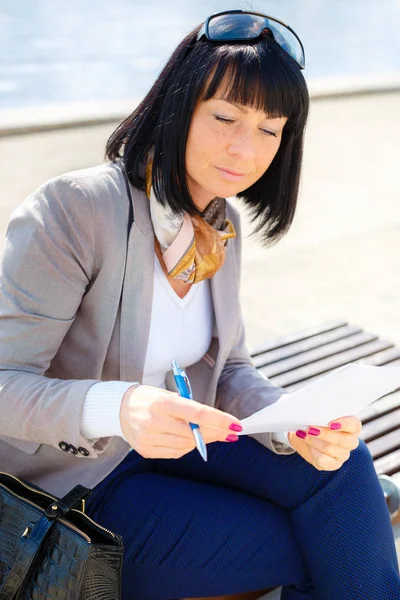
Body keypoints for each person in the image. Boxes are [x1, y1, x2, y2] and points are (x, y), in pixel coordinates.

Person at [0, 9, 399, 600]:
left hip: (188, 447)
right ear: (179, 105)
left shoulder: (220, 222)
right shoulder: (77, 209)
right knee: (328, 541)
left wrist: (295, 427)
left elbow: (230, 368)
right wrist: (120, 406)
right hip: (83, 486)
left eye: (270, 129)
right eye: (225, 117)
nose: (246, 147)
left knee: (341, 466)